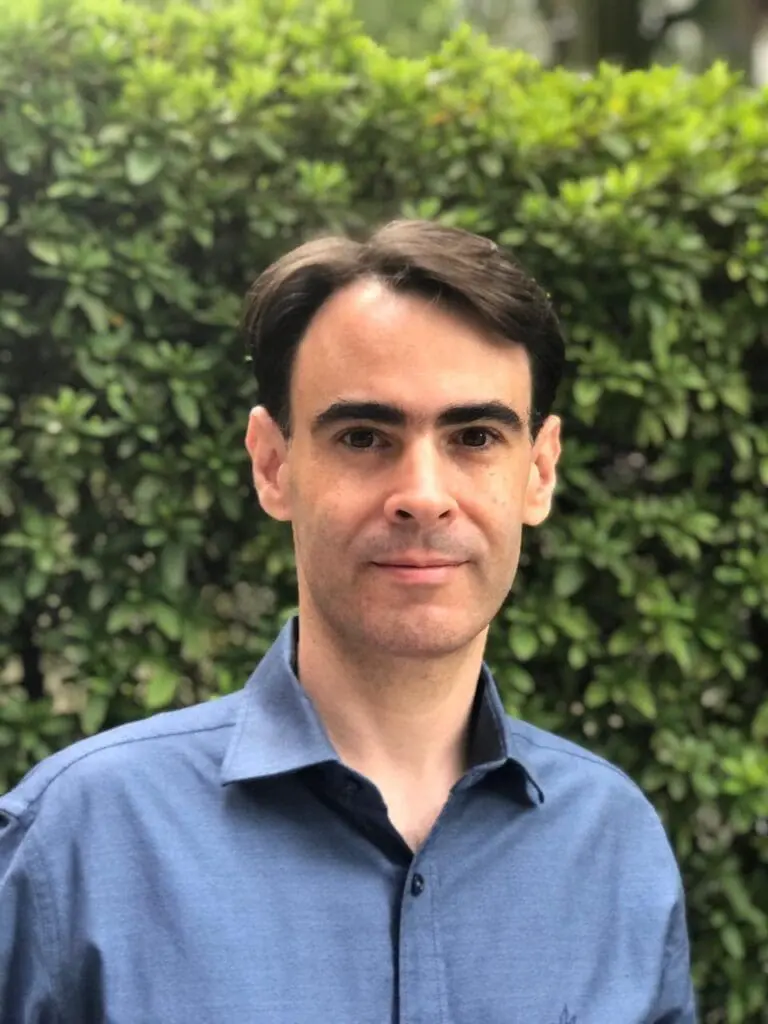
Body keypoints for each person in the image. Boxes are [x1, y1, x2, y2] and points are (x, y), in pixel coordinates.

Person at [0, 219, 696, 1023]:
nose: (423, 495)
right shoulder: (76, 846)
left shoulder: (614, 846)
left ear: (539, 471)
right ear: (273, 464)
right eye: (364, 437)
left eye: (475, 436)